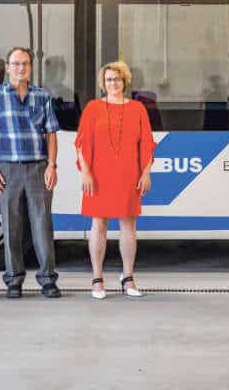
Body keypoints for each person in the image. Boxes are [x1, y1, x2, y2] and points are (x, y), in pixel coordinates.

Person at [0, 47, 62, 299]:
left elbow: (51, 134)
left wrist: (52, 165)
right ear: (7, 66)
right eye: (16, 64)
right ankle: (14, 280)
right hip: (7, 169)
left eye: (25, 63)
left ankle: (48, 280)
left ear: (31, 67)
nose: (21, 68)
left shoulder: (42, 97)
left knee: (42, 226)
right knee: (11, 227)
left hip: (38, 168)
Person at [76, 61, 157, 299]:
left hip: (129, 175)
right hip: (98, 176)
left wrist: (146, 172)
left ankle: (128, 277)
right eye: (109, 79)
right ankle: (97, 279)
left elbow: (147, 143)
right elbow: (82, 142)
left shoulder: (138, 109)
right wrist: (86, 172)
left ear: (125, 81)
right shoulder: (92, 108)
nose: (114, 83)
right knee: (99, 225)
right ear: (103, 83)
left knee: (128, 226)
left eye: (118, 79)